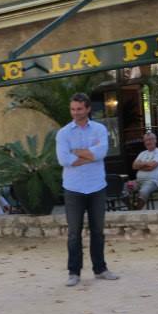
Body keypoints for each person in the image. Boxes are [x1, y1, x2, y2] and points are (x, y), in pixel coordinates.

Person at [55, 92, 118, 286]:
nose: (75, 113)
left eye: (79, 109)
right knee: (74, 233)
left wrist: (77, 153)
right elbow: (64, 159)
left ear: (88, 109)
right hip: (73, 188)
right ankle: (74, 273)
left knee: (97, 231)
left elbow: (102, 152)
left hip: (96, 186)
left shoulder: (99, 129)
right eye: (73, 109)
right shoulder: (64, 133)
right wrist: (90, 155)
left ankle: (100, 269)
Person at [131, 132, 158, 209]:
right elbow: (134, 166)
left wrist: (140, 165)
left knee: (143, 192)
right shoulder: (142, 153)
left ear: (155, 140)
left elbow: (151, 167)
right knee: (123, 188)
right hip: (138, 181)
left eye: (150, 139)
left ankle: (136, 211)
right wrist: (146, 164)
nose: (148, 142)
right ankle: (131, 208)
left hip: (152, 182)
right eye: (146, 140)